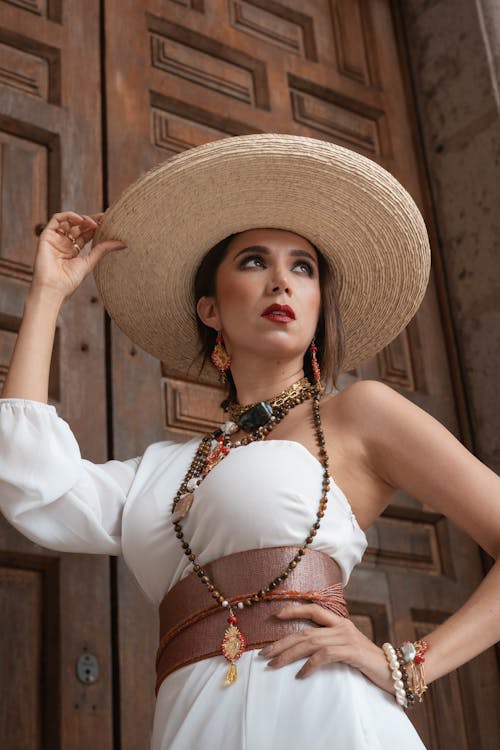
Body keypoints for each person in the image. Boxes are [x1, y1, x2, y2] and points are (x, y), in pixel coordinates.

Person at [1, 134, 499, 750]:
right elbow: (34, 488)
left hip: (328, 719)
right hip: (191, 726)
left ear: (319, 304)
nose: (282, 283)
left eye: (303, 267)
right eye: (255, 261)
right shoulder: (168, 470)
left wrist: (407, 665)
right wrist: (47, 293)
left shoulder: (359, 414)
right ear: (210, 308)